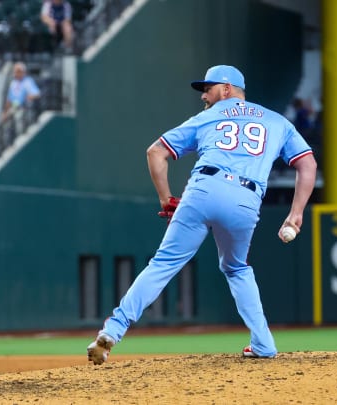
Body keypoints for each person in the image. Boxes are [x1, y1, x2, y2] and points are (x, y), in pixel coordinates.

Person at [87, 65, 317, 364]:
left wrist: (167, 199)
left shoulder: (208, 117)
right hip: (246, 200)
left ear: (226, 89)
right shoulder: (277, 122)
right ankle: (263, 343)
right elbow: (307, 164)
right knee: (237, 268)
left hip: (203, 190)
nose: (203, 95)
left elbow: (155, 152)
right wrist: (295, 213)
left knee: (163, 264)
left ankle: (113, 331)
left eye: (207, 88)